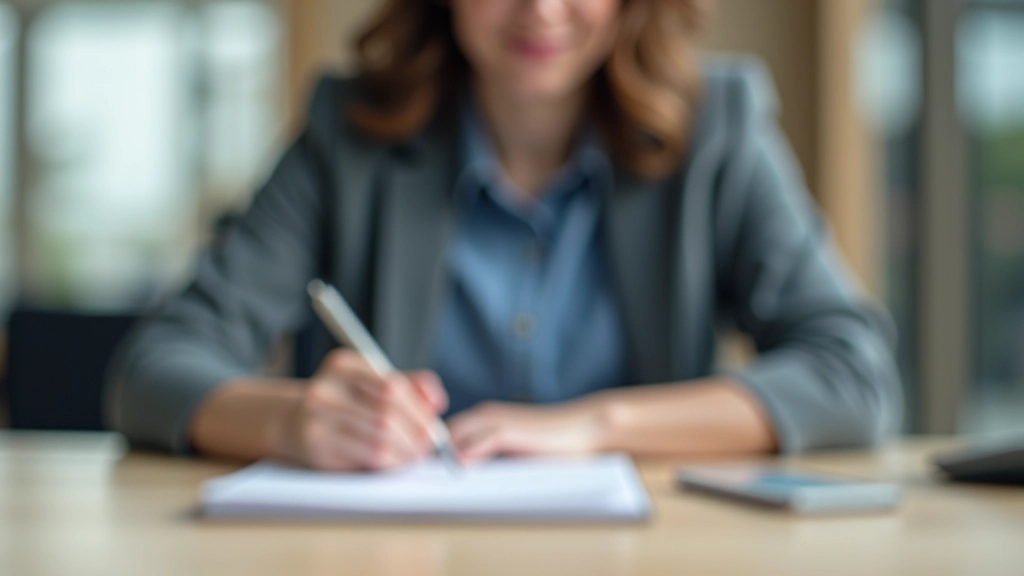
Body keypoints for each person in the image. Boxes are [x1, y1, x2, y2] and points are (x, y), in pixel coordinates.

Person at [107, 0, 902, 471]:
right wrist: (290, 421)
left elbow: (853, 374)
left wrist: (597, 427)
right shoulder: (346, 135)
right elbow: (154, 369)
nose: (541, 9)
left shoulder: (718, 129)